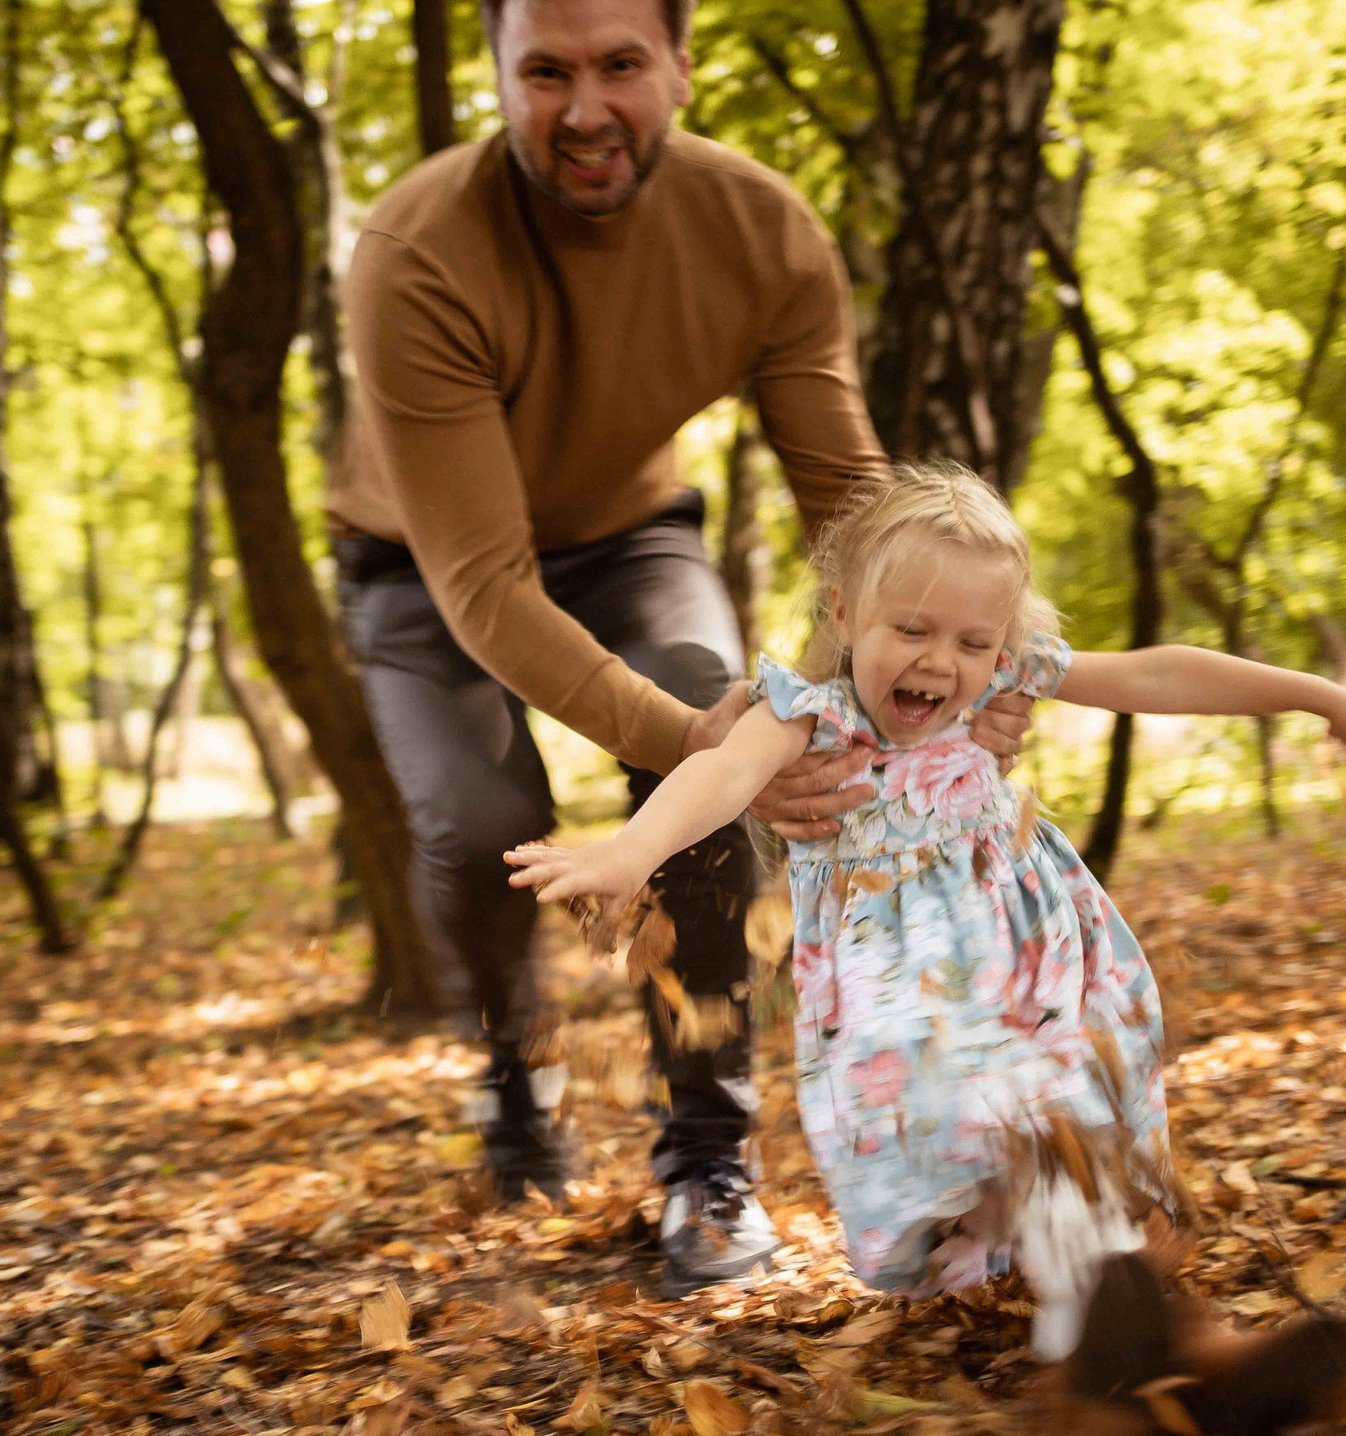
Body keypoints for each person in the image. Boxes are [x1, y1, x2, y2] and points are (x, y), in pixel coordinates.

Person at [330, 0, 1029, 1296]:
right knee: (489, 823)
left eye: (618, 65)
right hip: (421, 573)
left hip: (631, 537)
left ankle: (707, 1163)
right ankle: (511, 1067)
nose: (584, 107)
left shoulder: (762, 233)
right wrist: (713, 751)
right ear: (498, 75)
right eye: (544, 70)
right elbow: (484, 582)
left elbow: (860, 515)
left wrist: (980, 659)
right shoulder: (419, 246)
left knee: (711, 749)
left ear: (680, 69)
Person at [506, 464, 1346, 1364]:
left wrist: (1317, 694)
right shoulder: (808, 714)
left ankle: (1123, 1324)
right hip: (903, 988)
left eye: (972, 641)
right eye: (910, 628)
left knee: (1063, 1124)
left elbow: (1159, 676)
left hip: (1028, 955)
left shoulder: (1000, 684)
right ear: (842, 611)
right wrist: (627, 854)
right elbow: (718, 775)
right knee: (986, 1121)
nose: (940, 662)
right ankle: (1109, 1342)